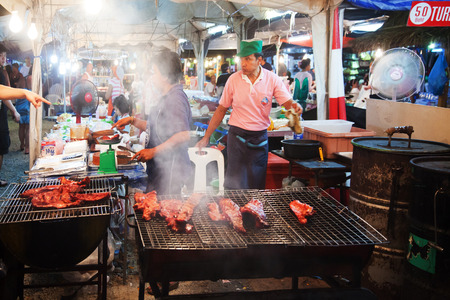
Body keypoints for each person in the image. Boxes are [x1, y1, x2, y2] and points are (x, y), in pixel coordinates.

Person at [196, 39, 302, 190]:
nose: (243, 64)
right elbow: (221, 109)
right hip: (237, 139)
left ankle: (253, 213)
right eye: (242, 59)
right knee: (234, 186)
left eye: (248, 59)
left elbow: (287, 102)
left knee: (256, 186)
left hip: (259, 140)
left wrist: (295, 106)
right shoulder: (233, 79)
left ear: (260, 60)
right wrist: (206, 137)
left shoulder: (272, 79)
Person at [112, 50, 192, 196]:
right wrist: (133, 120)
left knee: (165, 214)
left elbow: (183, 135)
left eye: (154, 72)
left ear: (166, 75)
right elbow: (157, 127)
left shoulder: (175, 99)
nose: (152, 77)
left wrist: (153, 152)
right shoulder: (166, 97)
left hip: (170, 173)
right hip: (159, 171)